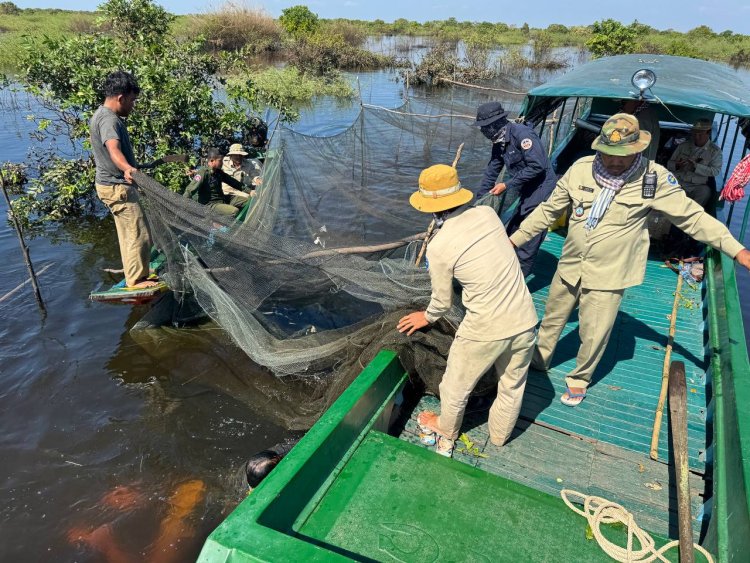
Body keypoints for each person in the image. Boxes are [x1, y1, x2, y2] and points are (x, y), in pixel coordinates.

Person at [508, 113, 750, 407]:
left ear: (637, 149)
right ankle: (539, 359)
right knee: (552, 319)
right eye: (608, 154)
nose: (615, 162)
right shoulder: (581, 170)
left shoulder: (654, 179)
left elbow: (693, 217)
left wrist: (736, 250)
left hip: (609, 273)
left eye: (623, 155)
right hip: (571, 264)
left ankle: (579, 378)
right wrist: (513, 241)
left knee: (593, 332)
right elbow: (547, 212)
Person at [397, 164, 538, 457]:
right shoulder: (488, 215)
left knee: (454, 386)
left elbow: (442, 302)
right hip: (525, 318)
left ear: (430, 208)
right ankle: (500, 437)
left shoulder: (439, 246)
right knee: (512, 384)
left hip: (486, 328)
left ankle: (446, 429)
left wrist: (426, 316)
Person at [90, 71, 159, 290]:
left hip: (110, 186)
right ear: (120, 98)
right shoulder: (109, 120)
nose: (133, 105)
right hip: (116, 187)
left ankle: (137, 272)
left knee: (129, 232)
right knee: (139, 233)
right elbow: (114, 149)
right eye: (132, 100)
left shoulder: (102, 115)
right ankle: (137, 280)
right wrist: (128, 168)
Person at [474, 101, 557, 277]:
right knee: (513, 228)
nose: (483, 131)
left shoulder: (522, 135)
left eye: (485, 127)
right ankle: (509, 264)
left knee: (531, 231)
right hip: (527, 187)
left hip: (542, 187)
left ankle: (519, 275)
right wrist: (479, 203)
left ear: (495, 124)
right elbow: (492, 171)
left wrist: (507, 184)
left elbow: (537, 166)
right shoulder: (499, 141)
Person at [667, 118, 723, 208]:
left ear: (708, 133)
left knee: (705, 192)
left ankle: (689, 216)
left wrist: (696, 167)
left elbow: (715, 171)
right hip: (677, 182)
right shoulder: (683, 146)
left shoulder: (715, 152)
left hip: (696, 185)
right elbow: (669, 164)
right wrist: (677, 165)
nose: (697, 137)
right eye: (695, 134)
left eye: (700, 134)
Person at [183, 148, 246, 218]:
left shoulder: (218, 172)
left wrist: (250, 191)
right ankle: (218, 224)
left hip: (222, 199)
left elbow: (234, 183)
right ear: (212, 161)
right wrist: (181, 205)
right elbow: (190, 190)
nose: (222, 163)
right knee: (234, 211)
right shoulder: (203, 172)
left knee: (247, 201)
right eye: (220, 161)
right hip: (210, 205)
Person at [221, 143, 262, 209]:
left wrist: (257, 179)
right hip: (227, 192)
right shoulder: (223, 163)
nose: (238, 157)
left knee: (253, 198)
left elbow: (254, 174)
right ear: (231, 155)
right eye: (236, 155)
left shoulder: (248, 164)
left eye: (240, 155)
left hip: (240, 191)